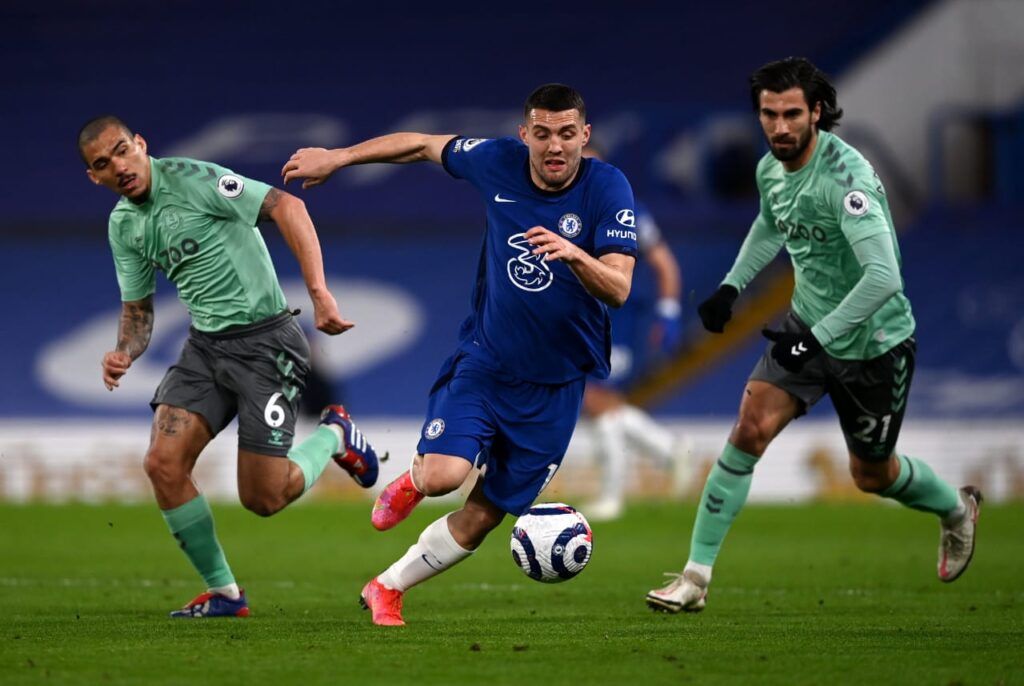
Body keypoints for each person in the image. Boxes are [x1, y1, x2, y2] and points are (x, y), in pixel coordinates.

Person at [282, 84, 638, 626]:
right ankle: (416, 478)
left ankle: (387, 586)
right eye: (542, 133)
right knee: (446, 477)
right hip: (487, 364)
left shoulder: (608, 187)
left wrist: (574, 254)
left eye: (567, 133)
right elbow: (422, 145)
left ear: (584, 136)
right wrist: (341, 156)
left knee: (482, 517)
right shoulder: (497, 161)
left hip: (559, 386)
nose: (555, 146)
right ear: (525, 135)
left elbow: (618, 288)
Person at [645, 58, 981, 614]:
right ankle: (695, 579)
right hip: (808, 326)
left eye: (792, 114)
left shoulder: (847, 181)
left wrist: (818, 337)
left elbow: (884, 278)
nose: (780, 127)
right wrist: (732, 286)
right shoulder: (770, 169)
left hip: (875, 343)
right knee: (749, 430)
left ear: (816, 112)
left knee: (873, 473)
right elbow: (770, 222)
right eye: (769, 114)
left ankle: (954, 510)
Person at [79, 116, 386, 618]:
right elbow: (138, 309)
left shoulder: (194, 180)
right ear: (94, 177)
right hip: (205, 349)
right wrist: (124, 352)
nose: (118, 167)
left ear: (141, 143)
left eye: (121, 151)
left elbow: (288, 204)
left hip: (266, 343)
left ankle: (335, 434)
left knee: (264, 499)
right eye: (102, 164)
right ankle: (225, 594)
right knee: (162, 464)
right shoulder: (125, 225)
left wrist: (319, 294)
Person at [579, 148, 689, 521]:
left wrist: (669, 312)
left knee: (598, 398)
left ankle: (612, 496)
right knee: (594, 400)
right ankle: (671, 450)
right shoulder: (565, 206)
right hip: (581, 322)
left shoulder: (627, 209)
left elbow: (664, 264)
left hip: (615, 320)